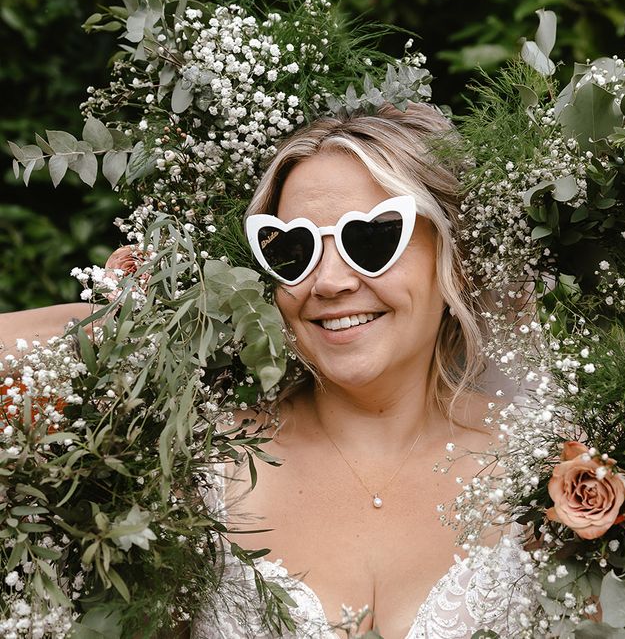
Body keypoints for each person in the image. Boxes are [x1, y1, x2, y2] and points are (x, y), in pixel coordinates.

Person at [0, 103, 537, 639]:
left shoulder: (545, 471)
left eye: (370, 240)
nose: (328, 282)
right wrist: (120, 327)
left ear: (457, 255)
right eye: (292, 251)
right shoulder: (201, 466)